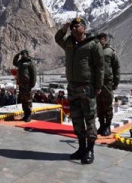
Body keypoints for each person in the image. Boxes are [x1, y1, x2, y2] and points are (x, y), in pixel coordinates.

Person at [55, 17, 104, 165]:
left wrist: (98, 86)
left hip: (87, 87)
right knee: (76, 119)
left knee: (89, 119)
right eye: (73, 27)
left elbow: (100, 67)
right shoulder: (69, 42)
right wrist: (64, 28)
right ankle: (81, 148)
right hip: (72, 87)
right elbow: (58, 38)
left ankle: (90, 150)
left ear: (84, 28)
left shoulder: (93, 44)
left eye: (77, 26)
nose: (74, 29)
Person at [96, 33, 120, 136]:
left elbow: (116, 67)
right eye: (98, 39)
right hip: (97, 83)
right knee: (99, 105)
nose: (100, 41)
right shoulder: (95, 51)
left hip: (107, 83)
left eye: (101, 39)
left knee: (107, 106)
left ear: (105, 39)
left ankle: (107, 126)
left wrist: (116, 81)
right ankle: (101, 125)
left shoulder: (110, 52)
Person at [13, 49, 37, 122]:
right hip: (21, 84)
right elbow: (14, 63)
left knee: (28, 100)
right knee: (23, 99)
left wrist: (32, 84)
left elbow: (33, 74)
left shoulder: (30, 62)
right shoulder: (20, 62)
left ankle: (29, 115)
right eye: (22, 54)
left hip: (27, 84)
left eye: (24, 54)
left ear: (27, 54)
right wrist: (17, 55)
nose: (23, 55)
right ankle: (25, 114)